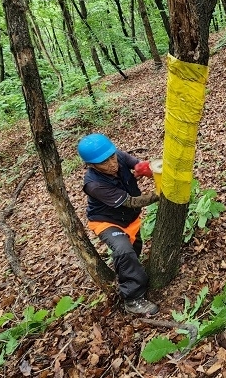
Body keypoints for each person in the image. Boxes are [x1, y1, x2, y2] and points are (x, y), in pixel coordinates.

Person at [77, 133, 159, 315]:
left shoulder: (117, 155)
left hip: (129, 218)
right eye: (104, 163)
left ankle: (129, 271)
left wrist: (147, 169)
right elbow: (130, 201)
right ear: (91, 165)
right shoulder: (94, 184)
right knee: (124, 250)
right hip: (106, 221)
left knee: (134, 248)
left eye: (112, 157)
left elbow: (137, 164)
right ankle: (133, 298)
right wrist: (158, 194)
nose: (112, 164)